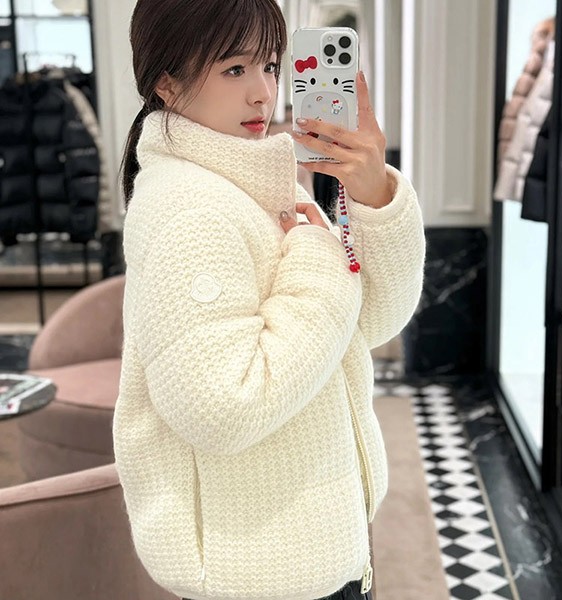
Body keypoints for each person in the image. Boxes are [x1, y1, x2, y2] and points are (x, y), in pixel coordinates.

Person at [113, 1, 425, 599]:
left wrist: (372, 193)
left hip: (312, 547)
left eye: (271, 65)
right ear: (166, 84)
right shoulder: (190, 211)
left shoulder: (251, 183)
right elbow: (223, 409)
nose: (263, 92)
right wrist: (319, 259)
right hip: (264, 574)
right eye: (235, 69)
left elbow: (371, 322)